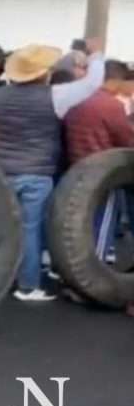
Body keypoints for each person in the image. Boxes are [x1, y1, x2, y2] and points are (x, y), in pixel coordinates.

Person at [0, 38, 105, 303]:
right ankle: (27, 286)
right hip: (37, 174)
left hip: (0, 170)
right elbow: (92, 84)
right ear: (43, 73)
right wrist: (96, 56)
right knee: (30, 230)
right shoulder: (55, 97)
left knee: (3, 228)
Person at [63, 59, 134, 265]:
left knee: (81, 224)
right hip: (104, 172)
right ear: (115, 81)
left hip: (77, 167)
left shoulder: (78, 100)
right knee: (103, 221)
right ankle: (97, 266)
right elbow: (127, 139)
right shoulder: (111, 105)